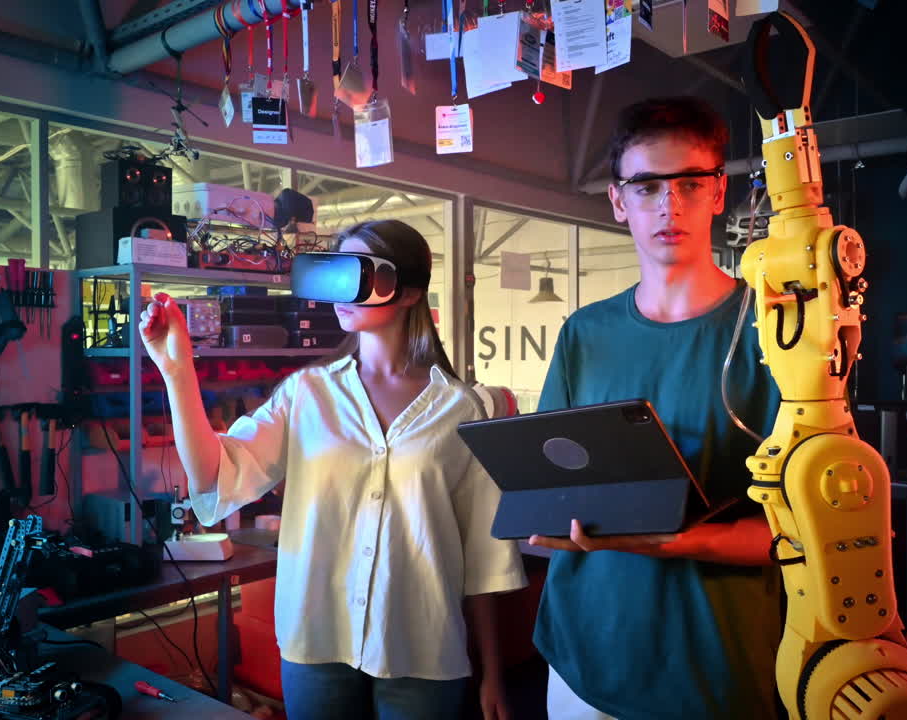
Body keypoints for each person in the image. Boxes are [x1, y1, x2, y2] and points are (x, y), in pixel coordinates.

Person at [139, 219, 527, 720]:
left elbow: (483, 553)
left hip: (423, 645)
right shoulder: (307, 395)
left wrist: (492, 672)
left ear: (410, 292)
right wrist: (176, 372)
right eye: (336, 272)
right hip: (317, 639)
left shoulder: (462, 408)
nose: (342, 291)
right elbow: (217, 474)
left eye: (360, 273)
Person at [527, 97, 784, 719]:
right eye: (646, 187)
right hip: (585, 653)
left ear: (717, 192)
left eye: (689, 183)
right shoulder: (584, 333)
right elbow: (547, 481)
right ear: (618, 201)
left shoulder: (774, 332)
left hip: (712, 662)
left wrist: (683, 541)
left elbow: (799, 535)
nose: (669, 205)